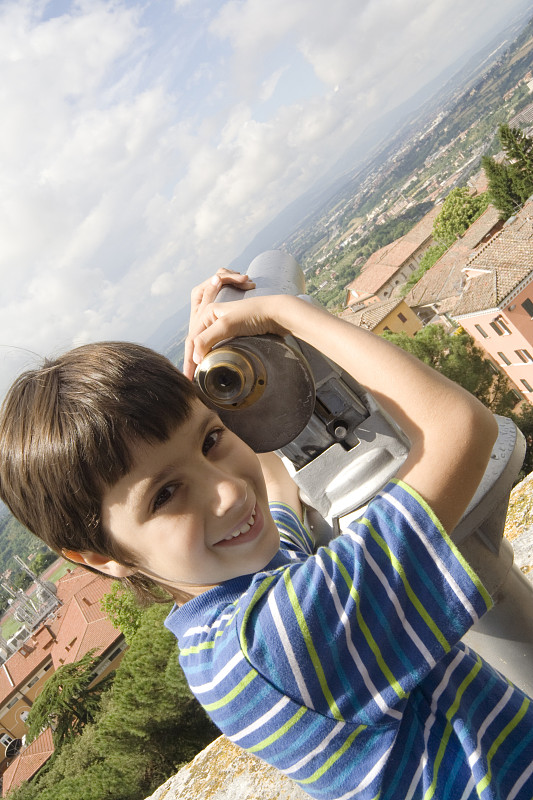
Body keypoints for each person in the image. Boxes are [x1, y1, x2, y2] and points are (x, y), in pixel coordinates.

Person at [0, 268, 531, 800]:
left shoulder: (234, 608)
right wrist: (287, 313)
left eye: (210, 440)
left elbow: (276, 486)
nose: (228, 492)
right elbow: (463, 428)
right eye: (165, 495)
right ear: (97, 557)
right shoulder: (274, 641)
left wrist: (217, 361)